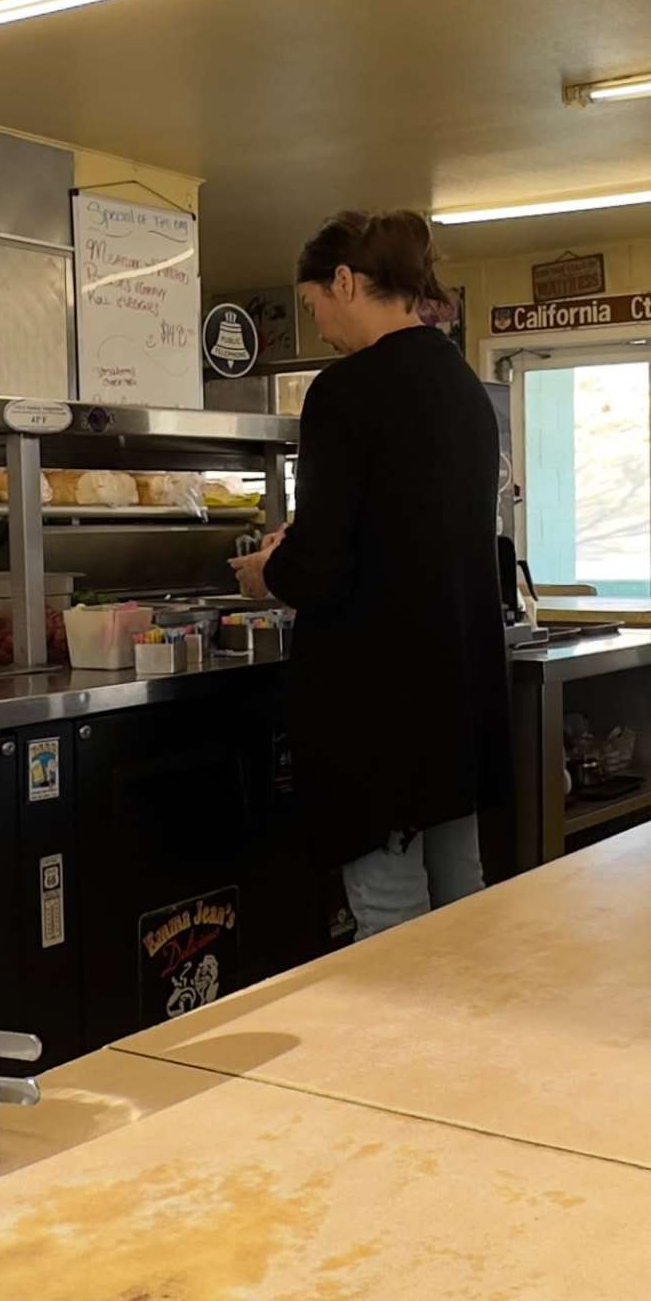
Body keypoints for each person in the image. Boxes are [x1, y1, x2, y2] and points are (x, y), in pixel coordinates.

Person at [227, 211, 507, 937]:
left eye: (315, 303)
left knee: (390, 913)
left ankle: (409, 1052)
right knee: (461, 891)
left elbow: (321, 567)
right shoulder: (465, 389)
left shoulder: (346, 392)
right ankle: (481, 1045)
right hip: (457, 688)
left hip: (377, 700)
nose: (318, 325)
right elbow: (410, 531)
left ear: (346, 282)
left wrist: (269, 567)